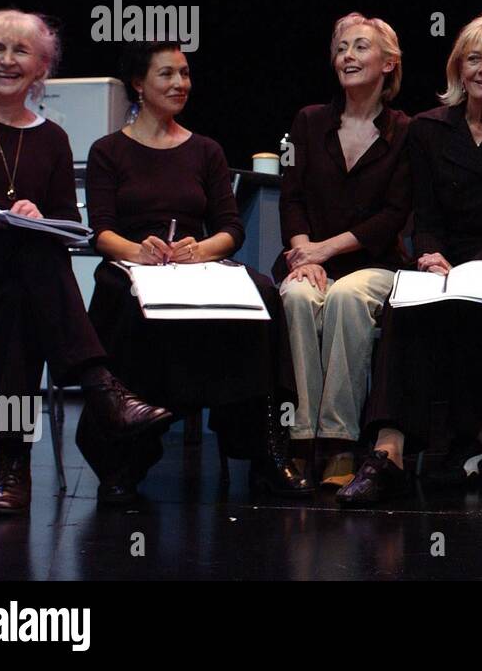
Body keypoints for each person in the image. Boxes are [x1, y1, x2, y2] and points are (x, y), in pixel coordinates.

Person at [0, 10, 171, 515]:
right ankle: (100, 386)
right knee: (28, 257)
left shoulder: (53, 139)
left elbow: (68, 222)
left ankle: (13, 468)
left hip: (11, 279)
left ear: (42, 67)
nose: (7, 60)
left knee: (24, 286)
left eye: (21, 51)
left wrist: (36, 215)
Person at [337, 14, 482, 506]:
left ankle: (467, 442)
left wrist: (475, 267)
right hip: (448, 264)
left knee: (470, 300)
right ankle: (389, 450)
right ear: (458, 69)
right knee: (405, 301)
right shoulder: (427, 130)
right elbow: (427, 216)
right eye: (474, 58)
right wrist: (430, 255)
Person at [78, 41, 310, 503]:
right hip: (132, 264)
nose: (180, 84)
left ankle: (266, 450)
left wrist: (200, 249)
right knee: (125, 302)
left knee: (264, 293)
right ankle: (125, 457)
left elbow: (230, 229)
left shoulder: (205, 150)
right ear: (139, 85)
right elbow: (99, 231)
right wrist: (137, 252)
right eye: (166, 75)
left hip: (192, 261)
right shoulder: (108, 151)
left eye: (184, 74)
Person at [276, 13, 411, 489]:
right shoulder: (309, 122)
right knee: (296, 298)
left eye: (359, 48)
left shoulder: (405, 131)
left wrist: (321, 253)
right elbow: (289, 196)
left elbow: (393, 215)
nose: (347, 57)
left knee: (347, 297)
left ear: (389, 63)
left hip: (373, 265)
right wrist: (302, 252)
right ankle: (301, 438)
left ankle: (338, 442)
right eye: (341, 49)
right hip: (307, 257)